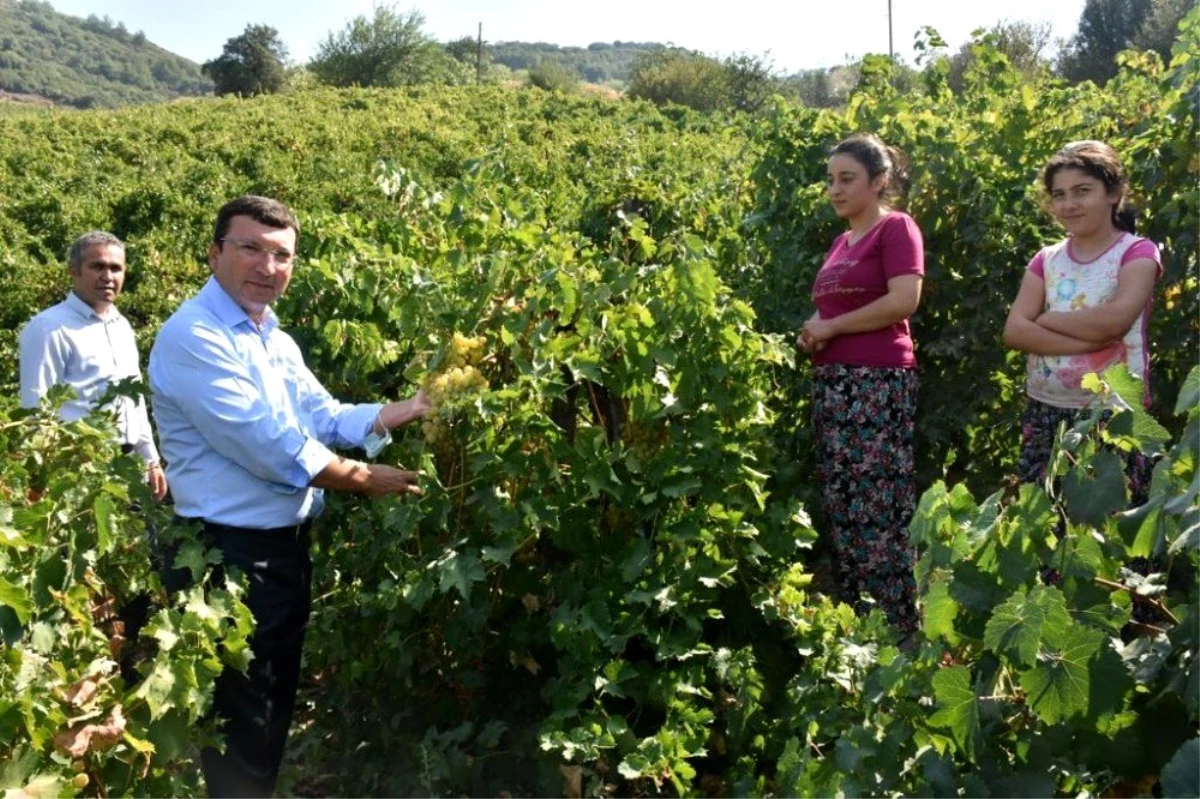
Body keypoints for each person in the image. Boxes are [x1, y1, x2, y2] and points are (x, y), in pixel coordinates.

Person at [148, 195, 430, 798]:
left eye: (282, 255)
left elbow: (323, 416)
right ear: (215, 252)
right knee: (241, 719)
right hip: (228, 559)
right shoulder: (193, 337)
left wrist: (406, 410)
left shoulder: (272, 337)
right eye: (251, 248)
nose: (267, 266)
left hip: (281, 553)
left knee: (271, 698)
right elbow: (273, 447)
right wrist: (364, 479)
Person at [798, 133, 924, 636]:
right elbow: (828, 308)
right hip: (834, 381)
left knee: (879, 498)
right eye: (831, 180)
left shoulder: (896, 228)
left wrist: (832, 329)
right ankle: (858, 619)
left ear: (878, 181)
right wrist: (813, 330)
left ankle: (897, 626)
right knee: (844, 497)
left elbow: (904, 300)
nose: (835, 190)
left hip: (877, 380)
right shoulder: (839, 243)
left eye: (847, 179)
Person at [1002, 140, 1160, 501]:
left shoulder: (1136, 252)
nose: (1069, 204)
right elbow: (1015, 331)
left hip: (1113, 415)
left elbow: (1115, 321)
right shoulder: (1047, 258)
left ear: (1114, 192)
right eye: (1059, 195)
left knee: (1114, 526)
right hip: (1046, 413)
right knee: (1044, 521)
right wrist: (1089, 339)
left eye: (1082, 191)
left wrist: (1047, 318)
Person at [19, 231, 167, 501]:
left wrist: (151, 459)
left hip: (129, 468)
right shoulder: (49, 328)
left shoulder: (121, 326)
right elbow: (36, 412)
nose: (108, 276)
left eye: (116, 268)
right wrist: (41, 482)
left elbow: (132, 402)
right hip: (78, 473)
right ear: (73, 271)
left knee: (136, 541)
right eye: (97, 266)